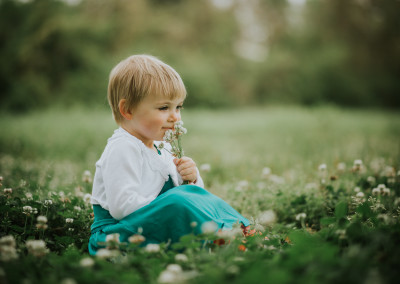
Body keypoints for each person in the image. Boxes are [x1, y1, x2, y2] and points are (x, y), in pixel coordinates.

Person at [88, 55, 251, 255]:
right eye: (164, 108)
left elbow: (188, 198)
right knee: (179, 200)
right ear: (127, 110)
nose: (175, 116)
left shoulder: (162, 146)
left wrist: (190, 179)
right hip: (117, 236)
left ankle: (241, 232)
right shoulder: (122, 148)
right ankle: (224, 242)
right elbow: (122, 208)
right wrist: (174, 201)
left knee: (200, 197)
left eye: (178, 107)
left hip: (151, 228)